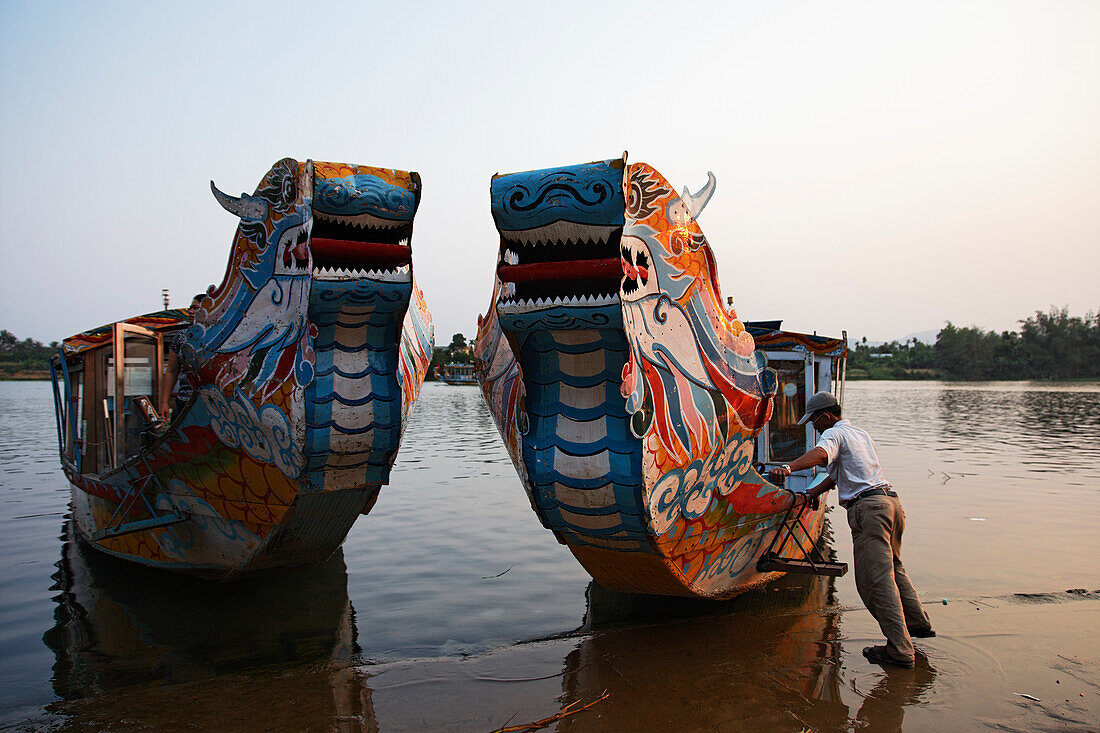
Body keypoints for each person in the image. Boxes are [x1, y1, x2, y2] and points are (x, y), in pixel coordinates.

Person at [768, 391, 934, 669]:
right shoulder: (860, 434)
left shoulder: (833, 434)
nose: (814, 426)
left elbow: (821, 457)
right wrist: (811, 494)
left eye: (815, 421)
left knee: (874, 582)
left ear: (827, 416)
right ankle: (917, 623)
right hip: (890, 503)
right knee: (894, 568)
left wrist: (787, 468)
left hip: (868, 511)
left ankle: (900, 650)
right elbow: (836, 477)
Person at [158, 294, 204, 421]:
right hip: (185, 401)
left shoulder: (221, 335)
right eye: (190, 308)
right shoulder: (180, 337)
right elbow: (172, 371)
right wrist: (163, 403)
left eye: (195, 308)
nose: (190, 311)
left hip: (213, 404)